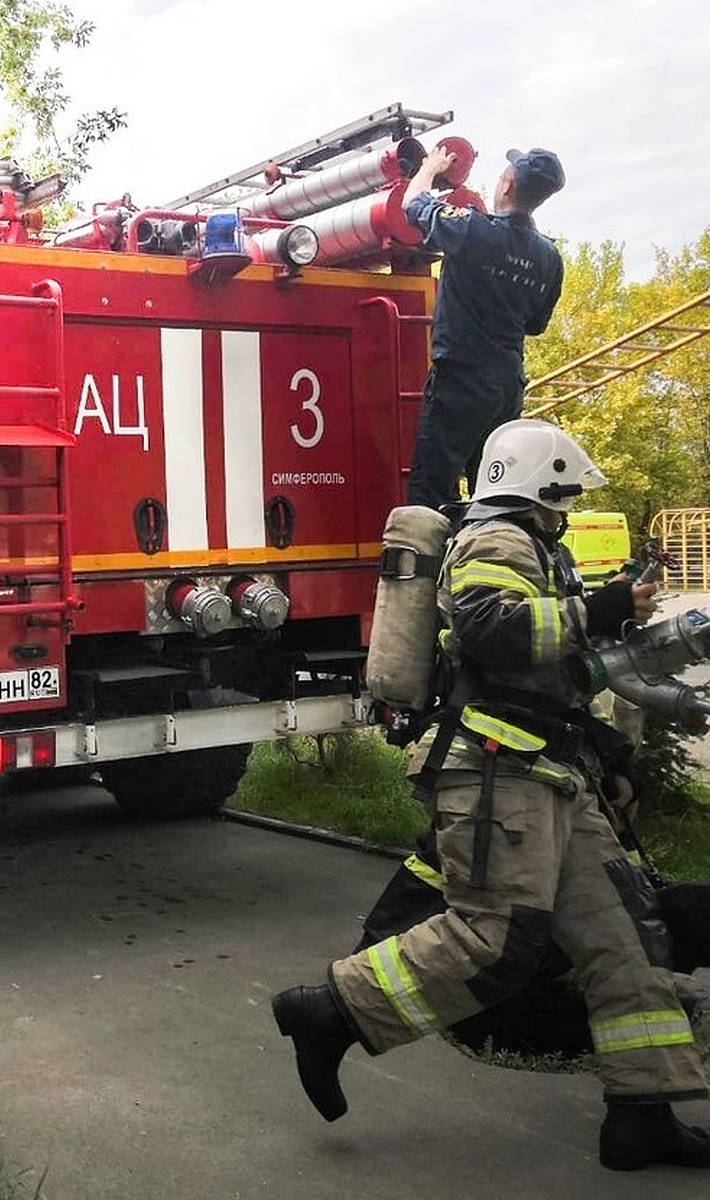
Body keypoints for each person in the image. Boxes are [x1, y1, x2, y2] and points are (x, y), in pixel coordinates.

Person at [271, 419, 710, 1171]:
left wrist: (608, 748)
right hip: (499, 772)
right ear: (539, 484)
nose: (569, 505)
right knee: (495, 935)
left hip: (552, 771)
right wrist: (596, 611)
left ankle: (643, 1114)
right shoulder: (496, 542)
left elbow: (559, 675)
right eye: (564, 492)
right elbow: (492, 634)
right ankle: (330, 1011)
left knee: (625, 937)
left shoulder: (537, 547)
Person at [404, 146, 565, 512]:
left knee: (431, 492)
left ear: (507, 184)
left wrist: (430, 168)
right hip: (508, 387)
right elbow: (536, 325)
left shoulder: (472, 230)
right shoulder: (549, 258)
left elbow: (413, 204)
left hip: (460, 379)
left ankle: (432, 566)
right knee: (494, 490)